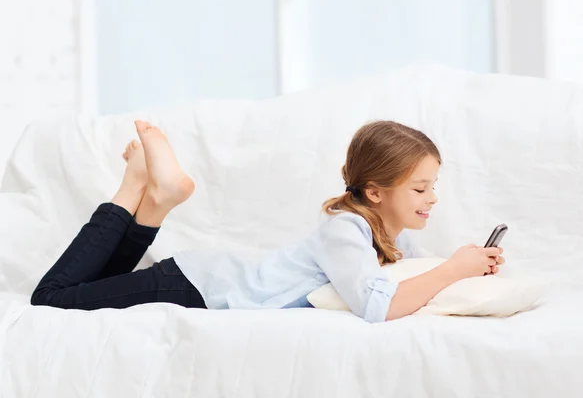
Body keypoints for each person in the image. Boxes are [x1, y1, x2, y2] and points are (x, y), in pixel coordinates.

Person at [30, 120, 504, 323]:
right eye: (421, 189)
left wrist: (470, 266)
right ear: (376, 192)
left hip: (203, 282)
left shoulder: (388, 237)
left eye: (434, 186)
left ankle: (154, 201)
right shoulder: (346, 228)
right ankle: (134, 187)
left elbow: (412, 285)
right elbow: (377, 306)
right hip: (192, 287)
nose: (433, 199)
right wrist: (454, 270)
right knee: (51, 302)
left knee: (101, 284)